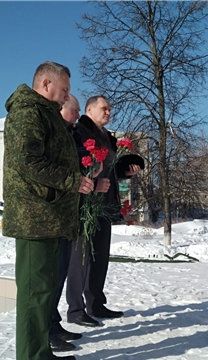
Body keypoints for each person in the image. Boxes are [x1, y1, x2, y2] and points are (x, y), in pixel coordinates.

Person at [3, 61, 95, 360]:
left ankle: (41, 353)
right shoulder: (28, 113)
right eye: (64, 89)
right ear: (46, 84)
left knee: (43, 294)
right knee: (34, 295)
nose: (66, 95)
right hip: (35, 219)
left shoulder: (45, 114)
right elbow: (27, 162)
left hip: (49, 217)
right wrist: (71, 181)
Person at [66, 95, 141, 327]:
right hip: (85, 204)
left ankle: (95, 303)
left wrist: (126, 171)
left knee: (100, 258)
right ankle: (76, 309)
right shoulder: (78, 133)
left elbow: (109, 170)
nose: (108, 112)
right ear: (89, 109)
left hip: (105, 204)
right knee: (80, 258)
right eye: (104, 108)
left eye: (110, 109)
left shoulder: (107, 137)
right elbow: (76, 165)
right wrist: (92, 185)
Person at [49, 94, 84, 353]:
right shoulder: (54, 133)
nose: (78, 115)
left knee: (59, 275)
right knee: (51, 278)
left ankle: (53, 323)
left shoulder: (70, 134)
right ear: (63, 110)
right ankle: (47, 331)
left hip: (65, 215)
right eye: (75, 110)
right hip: (52, 215)